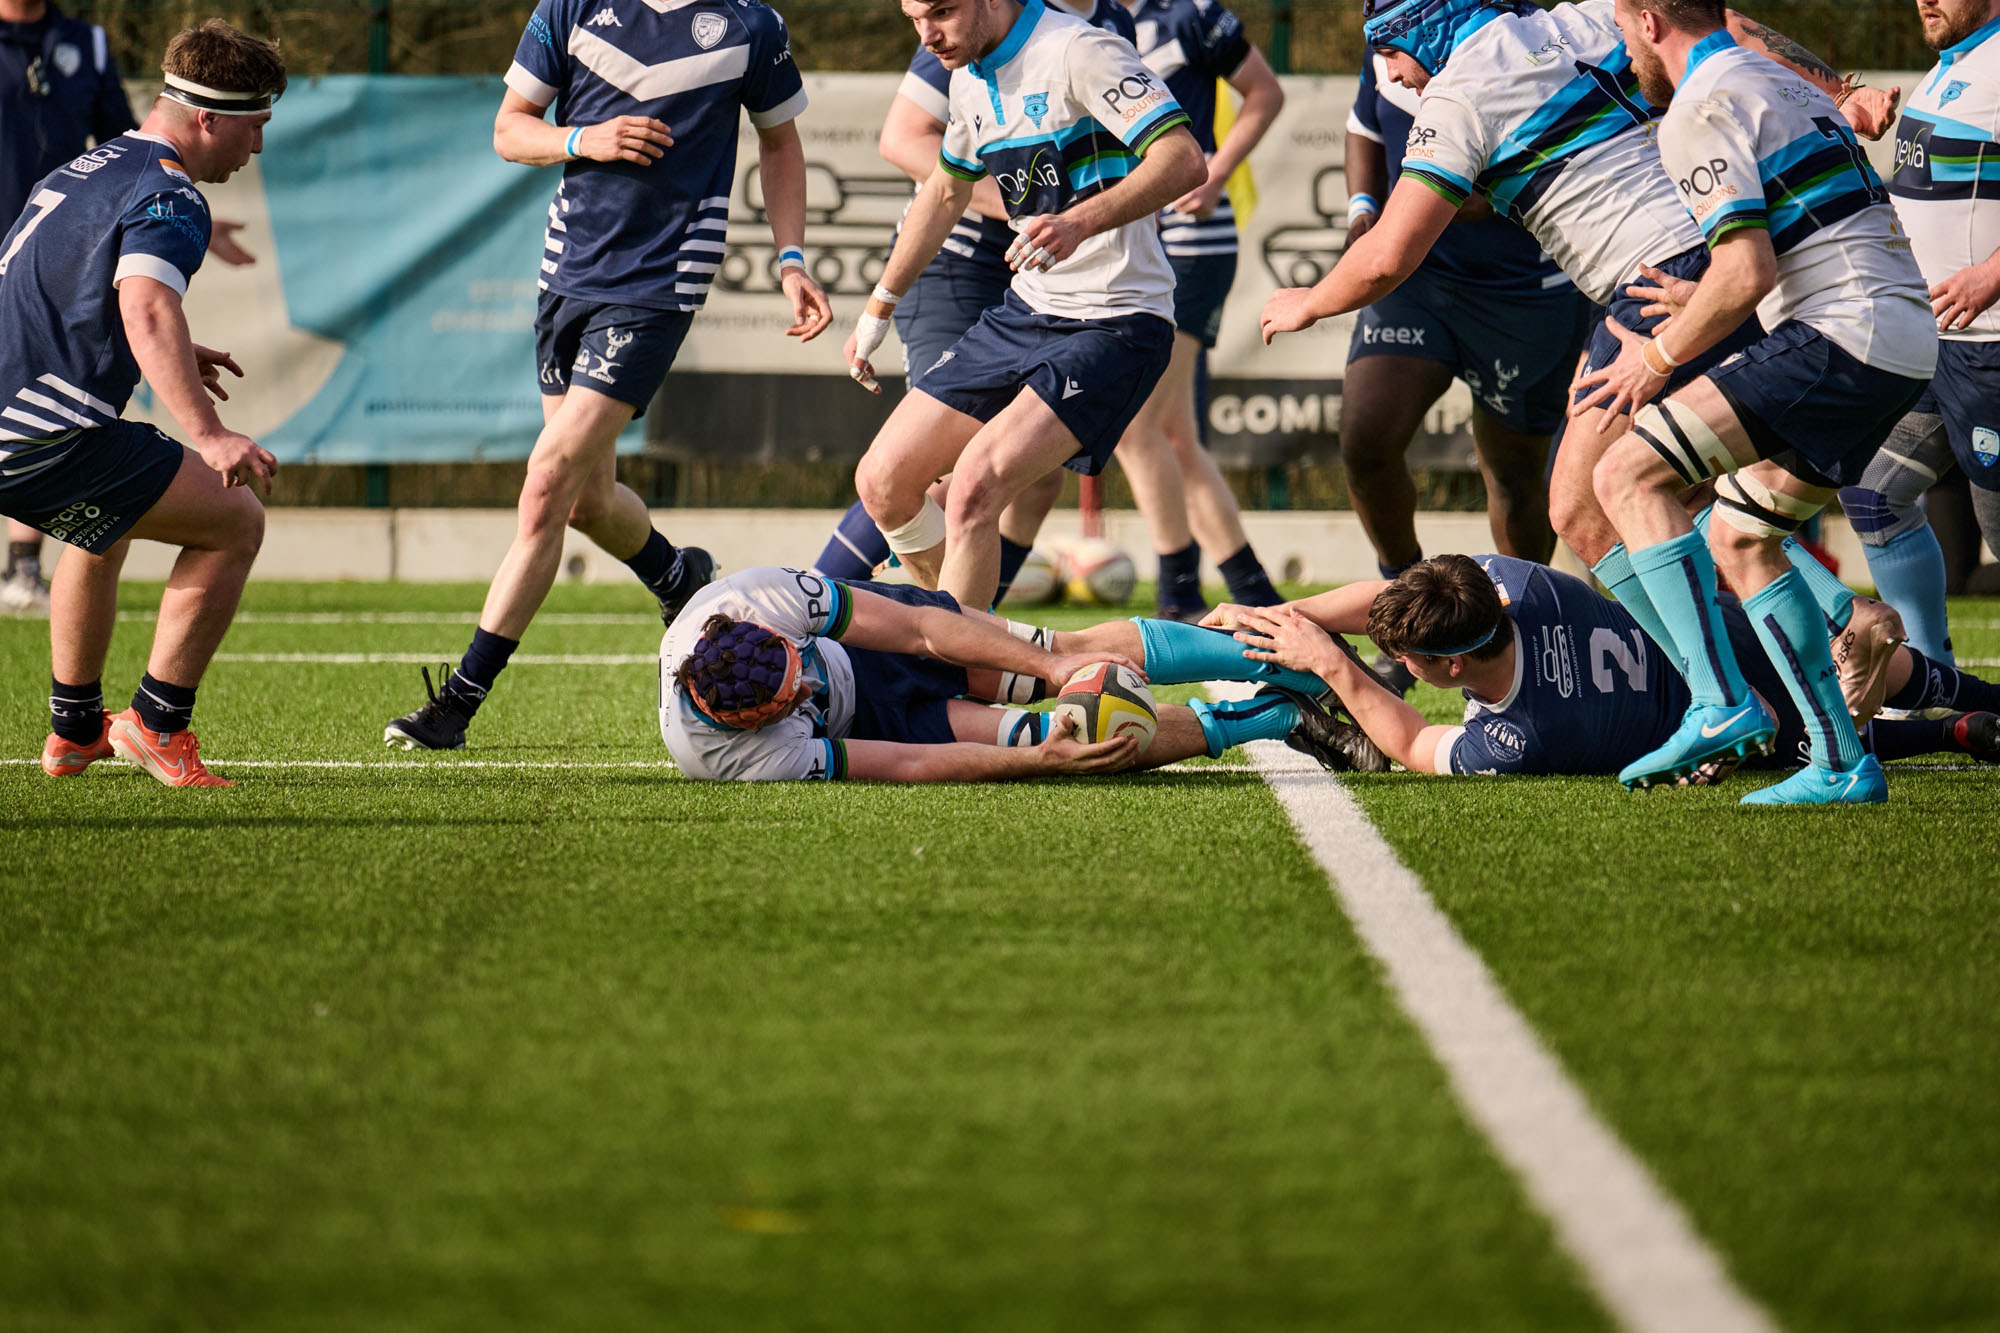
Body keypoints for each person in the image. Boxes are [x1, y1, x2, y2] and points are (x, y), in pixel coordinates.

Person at [1255, 0, 1907, 736]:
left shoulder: (1459, 93)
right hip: (1710, 256)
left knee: (1582, 506)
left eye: (1390, 51)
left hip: (1656, 282)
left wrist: (1310, 300)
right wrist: (1838, 88)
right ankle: (1827, 627)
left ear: (1424, 28)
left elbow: (1387, 256)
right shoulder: (1583, 17)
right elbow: (1721, 23)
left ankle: (1721, 696)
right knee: (1673, 491)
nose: (1393, 76)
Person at [385, 0, 834, 750]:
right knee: (586, 502)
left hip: (661, 284)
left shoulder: (751, 24)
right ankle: (677, 575)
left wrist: (792, 258)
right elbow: (509, 129)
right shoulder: (570, 7)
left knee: (546, 483)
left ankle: (458, 701)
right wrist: (581, 138)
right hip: (567, 276)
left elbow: (780, 142)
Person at [1570, 0, 1937, 805]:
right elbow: (1799, 232)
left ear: (1650, 20)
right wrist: (1696, 297)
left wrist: (1654, 360)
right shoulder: (1779, 81)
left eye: (1623, 29)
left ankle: (1718, 701)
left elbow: (1747, 273)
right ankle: (1841, 763)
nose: (1623, 50)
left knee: (1624, 476)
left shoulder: (1699, 106)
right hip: (1899, 338)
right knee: (1739, 536)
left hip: (1845, 336)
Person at [843, 0, 1207, 612]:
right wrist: (878, 307)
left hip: (1116, 320)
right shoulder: (967, 77)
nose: (927, 35)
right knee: (882, 481)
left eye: (942, 11)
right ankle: (971, 638)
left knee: (974, 490)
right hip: (1025, 312)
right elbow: (945, 191)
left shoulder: (1080, 50)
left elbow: (1183, 159)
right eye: (913, 18)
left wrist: (1080, 221)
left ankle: (956, 651)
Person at [0, 19, 284, 786]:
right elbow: (148, 307)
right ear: (209, 118)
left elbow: (58, 293)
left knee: (108, 522)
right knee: (236, 521)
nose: (257, 147)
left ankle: (73, 731)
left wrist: (169, 353)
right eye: (254, 126)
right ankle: (158, 723)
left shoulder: (82, 169)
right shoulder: (171, 192)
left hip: (12, 423)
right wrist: (211, 434)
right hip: (44, 434)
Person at [1213, 554, 2000, 779]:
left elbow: (1415, 744)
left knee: (1808, 740)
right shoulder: (1515, 583)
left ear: (1450, 668)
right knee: (1860, 673)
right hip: (1729, 640)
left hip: (1729, 725)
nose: (1392, 659)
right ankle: (1970, 703)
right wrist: (1286, 617)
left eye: (1402, 657)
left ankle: (1951, 732)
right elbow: (1394, 598)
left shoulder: (1524, 737)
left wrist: (1333, 665)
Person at [659, 564, 1358, 780]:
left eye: (798, 669)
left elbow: (916, 628)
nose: (808, 688)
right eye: (792, 702)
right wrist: (1039, 760)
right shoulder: (725, 758)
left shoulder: (755, 598)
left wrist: (1052, 663)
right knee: (1071, 738)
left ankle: (1299, 660)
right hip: (874, 723)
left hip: (876, 645)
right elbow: (902, 761)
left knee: (1069, 652)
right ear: (746, 722)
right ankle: (1280, 716)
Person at [1338, 47, 1591, 609]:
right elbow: (1364, 126)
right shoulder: (1392, 44)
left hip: (1525, 291)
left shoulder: (1523, 44)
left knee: (1514, 474)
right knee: (1365, 439)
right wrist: (1363, 209)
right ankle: (1409, 607)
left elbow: (1476, 194)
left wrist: (1476, 189)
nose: (1387, 50)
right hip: (1417, 277)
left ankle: (1521, 622)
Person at [1112, 0, 1286, 619]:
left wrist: (1217, 171)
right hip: (1129, 241)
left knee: (1136, 428)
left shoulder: (1189, 12)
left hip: (1190, 242)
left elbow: (1265, 92)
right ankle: (1256, 596)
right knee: (1175, 436)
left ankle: (1178, 595)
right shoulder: (1076, 20)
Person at [1838, 0, 2000, 665]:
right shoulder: (1947, 69)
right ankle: (1933, 681)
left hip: (1990, 350)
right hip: (1932, 346)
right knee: (1873, 496)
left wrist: (1991, 275)